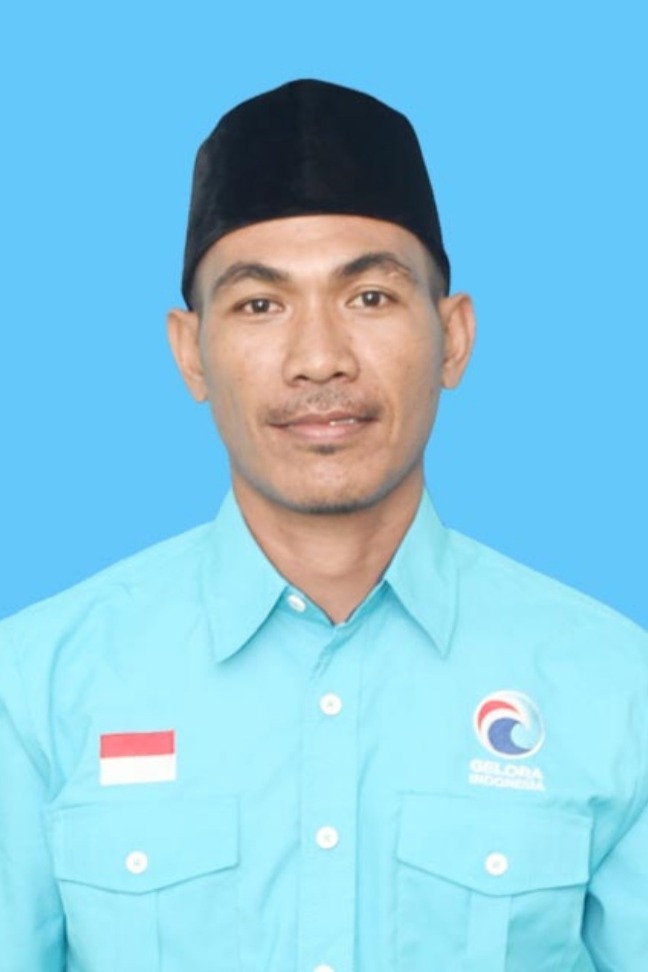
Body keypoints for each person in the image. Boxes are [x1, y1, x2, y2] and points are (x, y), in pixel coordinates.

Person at [1, 79, 647, 972]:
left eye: (370, 297)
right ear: (190, 352)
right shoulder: (35, 687)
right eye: (259, 305)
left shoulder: (615, 688)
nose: (318, 360)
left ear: (454, 337)